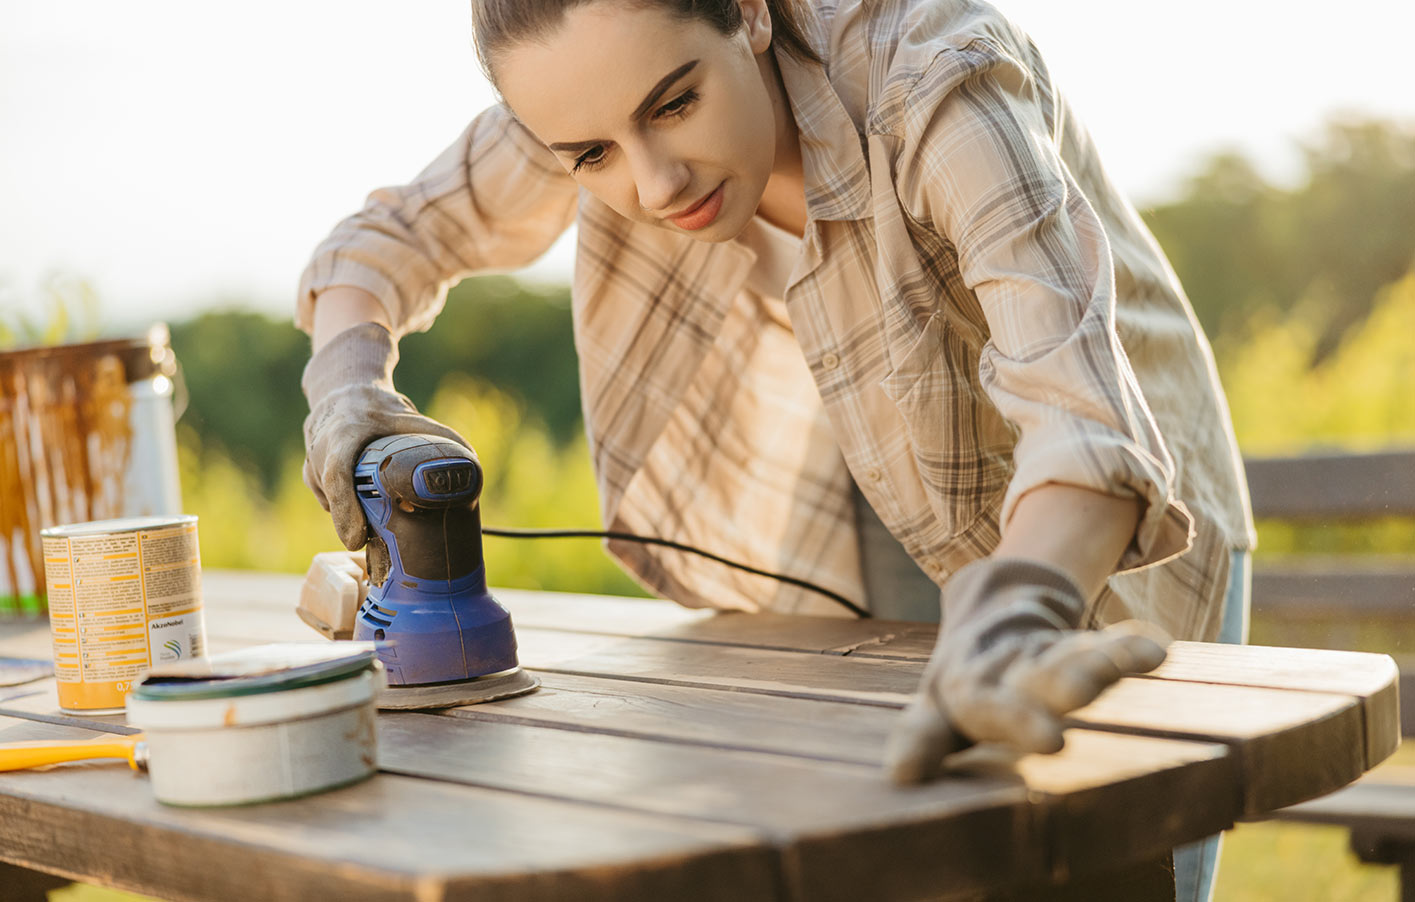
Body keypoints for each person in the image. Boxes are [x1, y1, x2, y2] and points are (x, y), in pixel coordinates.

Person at [297, 1, 1254, 897]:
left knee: (1094, 867)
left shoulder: (932, 77)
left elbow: (1080, 418)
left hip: (1099, 528)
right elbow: (385, 240)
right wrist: (348, 389)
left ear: (749, 10)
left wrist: (1021, 609)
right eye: (592, 154)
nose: (655, 182)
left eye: (674, 104)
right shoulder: (584, 87)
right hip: (865, 501)